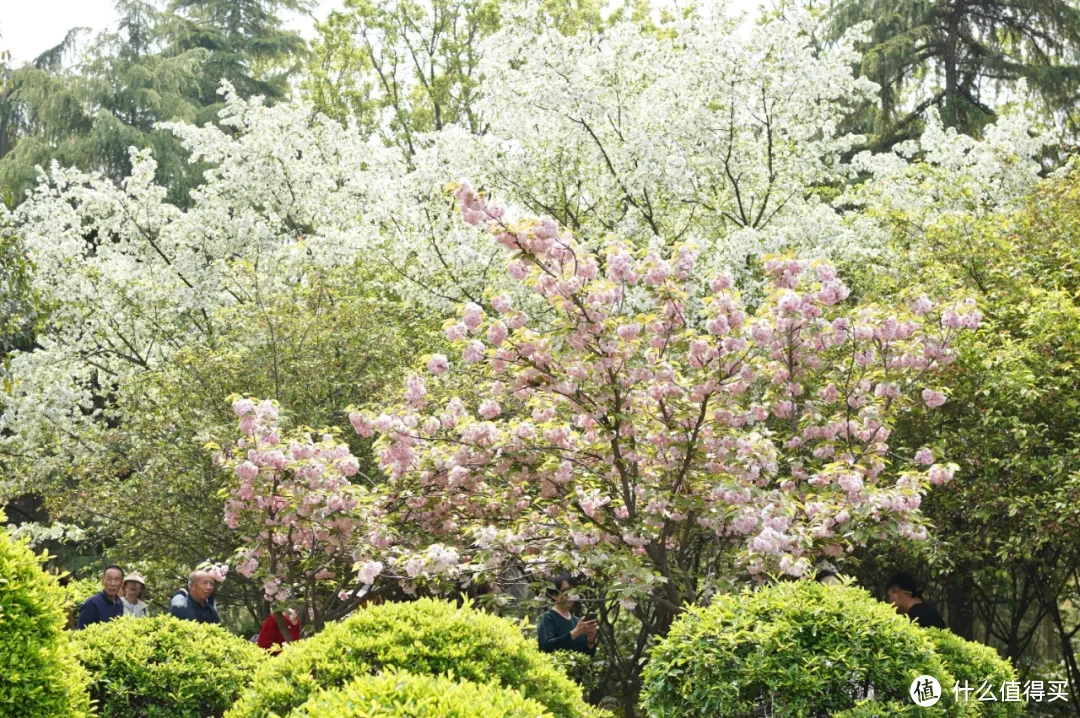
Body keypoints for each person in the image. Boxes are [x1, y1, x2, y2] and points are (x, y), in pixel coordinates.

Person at [536, 573, 597, 655]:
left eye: (573, 591)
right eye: (565, 591)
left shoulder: (577, 621)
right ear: (554, 595)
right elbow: (547, 647)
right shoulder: (548, 618)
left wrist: (591, 640)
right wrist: (576, 632)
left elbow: (588, 656)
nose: (570, 595)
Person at [76, 565, 126, 629]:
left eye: (117, 579)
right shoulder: (92, 603)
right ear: (103, 581)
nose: (113, 583)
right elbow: (80, 631)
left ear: (122, 583)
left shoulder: (119, 603)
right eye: (109, 579)